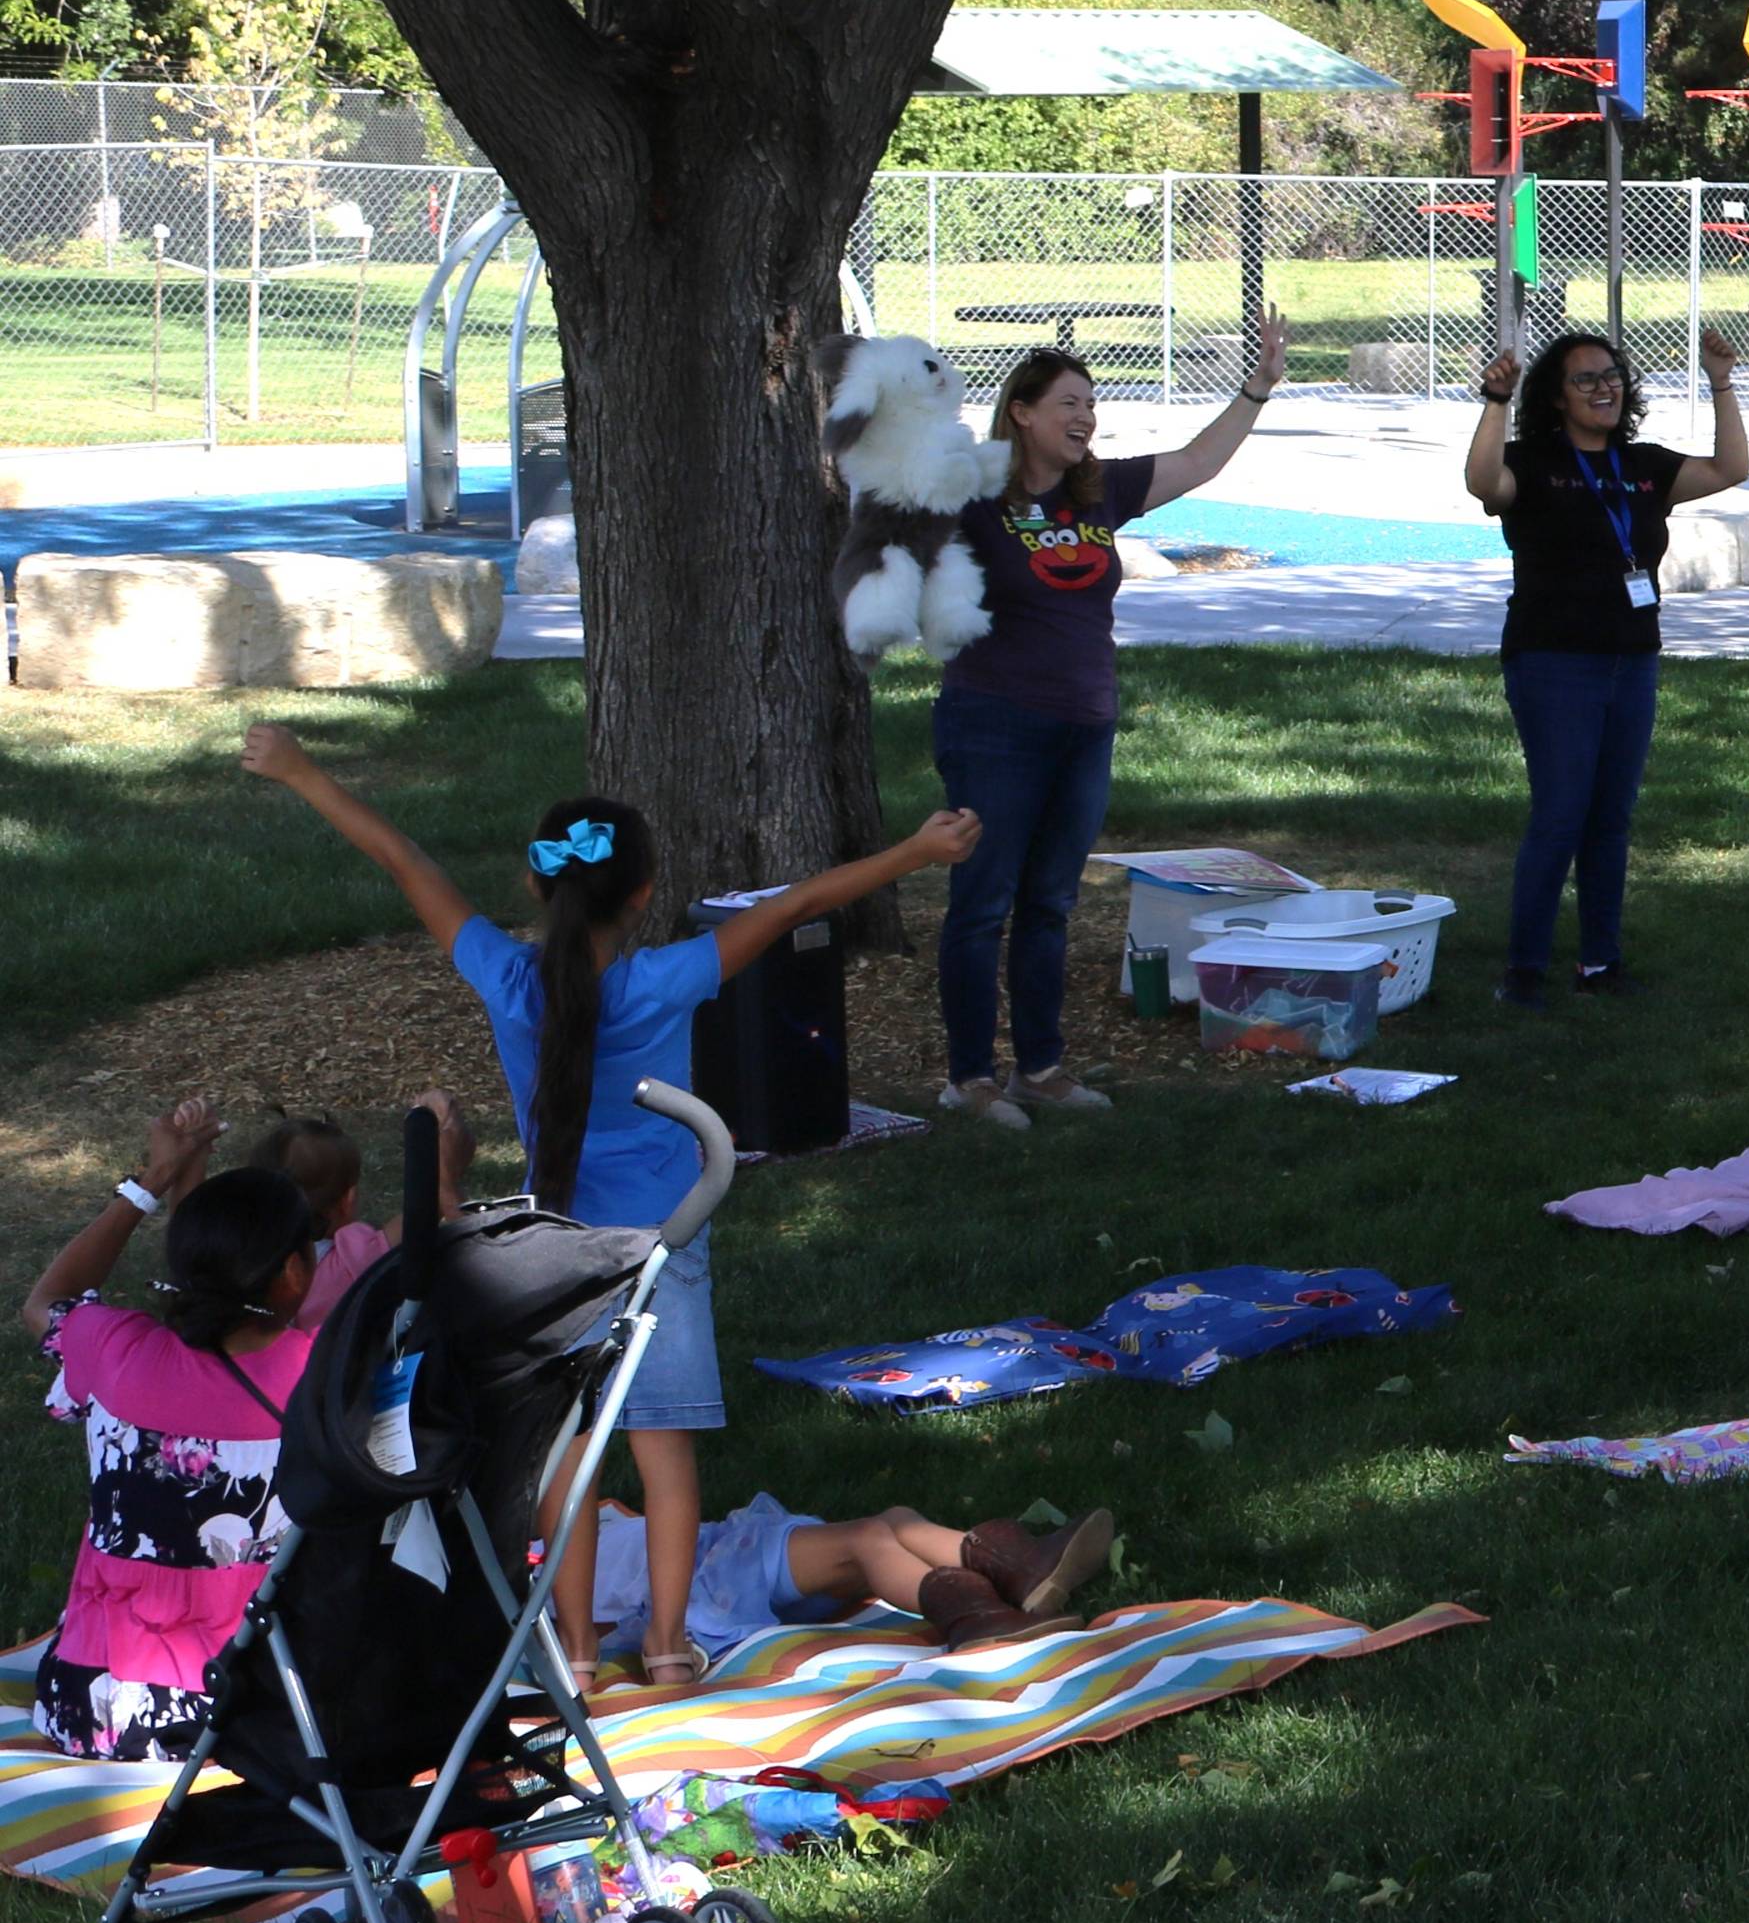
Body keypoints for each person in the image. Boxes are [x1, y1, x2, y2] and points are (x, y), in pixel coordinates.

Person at [239, 723, 981, 1691]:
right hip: (666, 1246)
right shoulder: (665, 979)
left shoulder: (507, 979)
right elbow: (801, 901)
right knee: (664, 1458)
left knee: (568, 1463)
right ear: (639, 894)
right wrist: (917, 853)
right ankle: (671, 1651)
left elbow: (401, 856)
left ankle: (578, 1655)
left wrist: (300, 768)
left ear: (538, 884)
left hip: (557, 1261)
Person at [928, 315, 1288, 1122]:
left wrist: (1257, 387)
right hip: (993, 723)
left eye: (1091, 403)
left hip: (1083, 727)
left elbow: (1198, 462)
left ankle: (1041, 1068)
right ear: (1021, 411)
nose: (1085, 416)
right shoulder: (977, 495)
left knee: (1051, 902)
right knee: (983, 901)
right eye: (1068, 402)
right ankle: (970, 1077)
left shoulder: (1100, 490)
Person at [1463, 322, 1749, 1005]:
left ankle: (1600, 962)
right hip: (1553, 661)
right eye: (1587, 379)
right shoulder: (1532, 462)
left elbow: (1730, 468)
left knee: (1610, 817)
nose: (1605, 388)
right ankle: (1524, 969)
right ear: (1557, 397)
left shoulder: (1644, 464)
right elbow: (1484, 483)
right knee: (1560, 812)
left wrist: (1721, 381)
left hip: (1632, 661)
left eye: (1612, 375)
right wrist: (1493, 400)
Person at [21, 1099, 321, 1759]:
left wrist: (154, 1179)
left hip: (96, 1704)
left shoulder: (112, 1347)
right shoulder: (324, 1367)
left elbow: (45, 1301)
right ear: (296, 1270)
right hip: (263, 1713)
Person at [580, 1487, 1124, 1667]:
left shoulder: (580, 1521)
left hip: (725, 1559)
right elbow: (598, 1632)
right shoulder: (538, 1580)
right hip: (716, 1582)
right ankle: (976, 1617)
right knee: (866, 1542)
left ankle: (1021, 1570)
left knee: (893, 1521)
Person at [244, 1092, 463, 1292]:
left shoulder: (244, 1256)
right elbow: (424, 1210)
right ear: (348, 1200)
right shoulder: (350, 1259)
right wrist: (444, 1155)